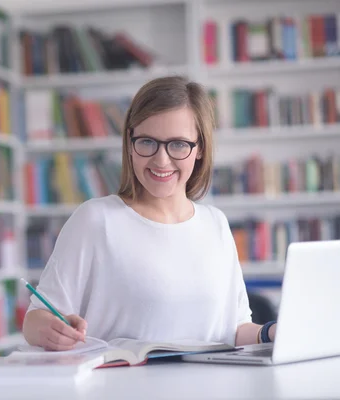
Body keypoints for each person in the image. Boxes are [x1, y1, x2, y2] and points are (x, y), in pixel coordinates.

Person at [22, 75, 277, 351]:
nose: (161, 159)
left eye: (178, 144)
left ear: (200, 148)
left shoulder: (216, 224)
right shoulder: (96, 220)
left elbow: (235, 329)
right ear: (130, 143)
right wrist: (48, 329)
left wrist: (272, 332)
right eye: (147, 142)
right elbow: (35, 320)